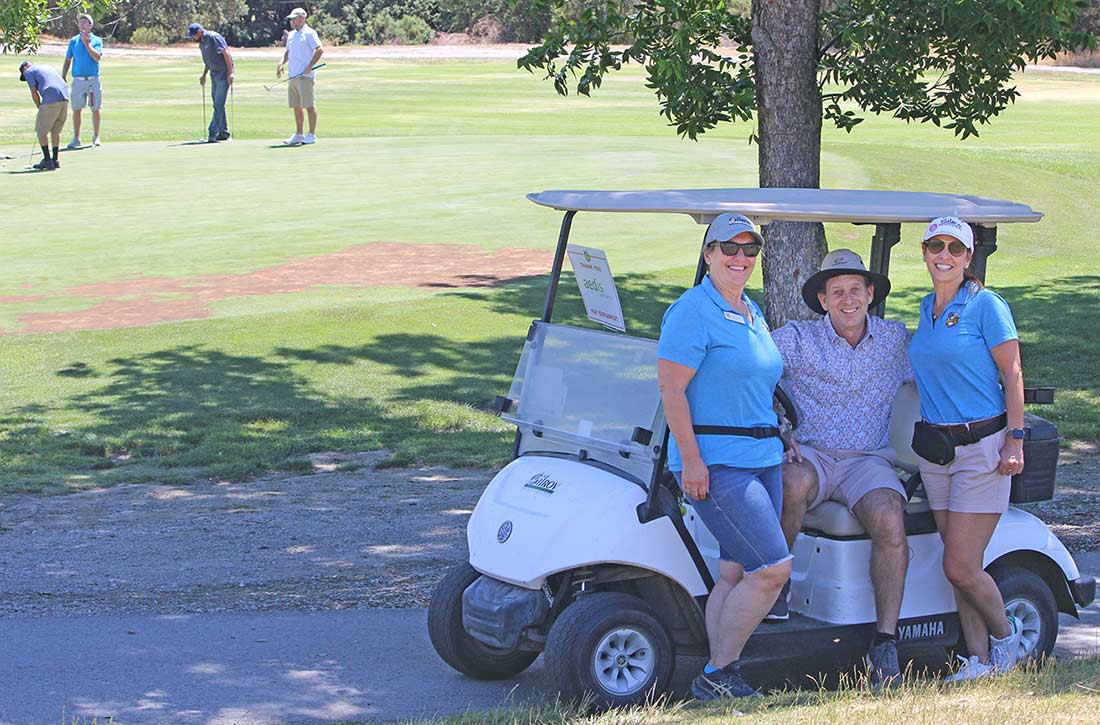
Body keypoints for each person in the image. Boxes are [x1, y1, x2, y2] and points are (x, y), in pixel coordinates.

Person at [657, 213, 789, 700]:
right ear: (707, 254)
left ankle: (719, 667)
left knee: (733, 571)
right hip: (717, 461)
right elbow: (672, 389)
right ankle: (718, 673)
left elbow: (752, 382)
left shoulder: (749, 309)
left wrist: (779, 433)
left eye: (749, 250)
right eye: (727, 248)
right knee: (772, 568)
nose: (739, 258)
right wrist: (691, 461)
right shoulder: (693, 310)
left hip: (762, 454)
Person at [769, 249, 912, 686]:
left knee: (890, 517)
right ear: (823, 300)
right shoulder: (794, 339)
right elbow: (748, 370)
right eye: (837, 292)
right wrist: (777, 427)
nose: (847, 299)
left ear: (870, 294)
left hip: (868, 460)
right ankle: (776, 587)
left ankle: (885, 640)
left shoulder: (896, 340)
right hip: (810, 451)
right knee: (792, 482)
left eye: (855, 290)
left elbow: (945, 365)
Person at [909, 215, 1025, 680]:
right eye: (935, 246)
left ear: (968, 256)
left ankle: (1007, 636)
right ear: (924, 252)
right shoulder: (925, 307)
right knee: (960, 564)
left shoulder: (986, 306)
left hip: (984, 449)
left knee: (959, 566)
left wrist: (1015, 439)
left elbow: (1013, 373)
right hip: (939, 453)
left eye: (954, 249)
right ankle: (976, 662)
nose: (944, 256)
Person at [277, 7, 323, 145]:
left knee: (308, 105)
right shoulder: (291, 35)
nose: (292, 21)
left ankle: (312, 134)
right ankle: (299, 134)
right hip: (293, 75)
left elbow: (319, 50)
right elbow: (288, 52)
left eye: (295, 19)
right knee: (296, 106)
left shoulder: (310, 33)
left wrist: (309, 67)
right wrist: (281, 63)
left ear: (302, 18)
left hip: (305, 76)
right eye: (291, 19)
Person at [61, 13, 104, 149]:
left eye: (85, 22)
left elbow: (97, 58)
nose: (82, 24)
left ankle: (96, 136)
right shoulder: (73, 41)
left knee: (95, 109)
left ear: (90, 25)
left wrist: (87, 44)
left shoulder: (97, 40)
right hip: (78, 80)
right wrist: (63, 76)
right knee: (77, 109)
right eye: (80, 22)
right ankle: (76, 138)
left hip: (93, 80)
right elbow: (68, 59)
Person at [19, 61, 70, 171]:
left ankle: (47, 160)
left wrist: (39, 107)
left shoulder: (28, 72)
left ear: (24, 69)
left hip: (51, 97)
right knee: (55, 131)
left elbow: (34, 93)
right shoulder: (46, 66)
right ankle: (55, 160)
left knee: (41, 132)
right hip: (65, 97)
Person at [188, 22, 234, 143]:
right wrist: (204, 74)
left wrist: (230, 73)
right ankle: (223, 132)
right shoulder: (202, 43)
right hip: (214, 74)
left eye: (193, 35)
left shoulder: (214, 37)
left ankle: (212, 132)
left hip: (223, 74)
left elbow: (226, 54)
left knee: (218, 104)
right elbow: (208, 61)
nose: (193, 38)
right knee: (217, 104)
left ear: (199, 32)